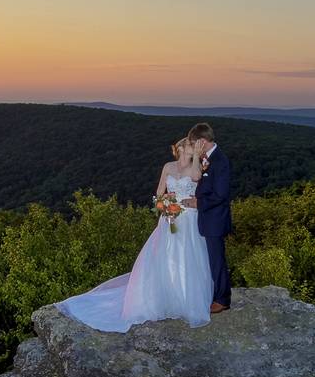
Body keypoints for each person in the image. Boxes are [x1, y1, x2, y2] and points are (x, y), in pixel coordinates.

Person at [53, 136, 213, 332]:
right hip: (169, 217)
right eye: (189, 144)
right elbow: (159, 192)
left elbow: (196, 177)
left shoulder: (195, 167)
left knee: (188, 258)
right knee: (164, 258)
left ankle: (185, 300)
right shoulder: (168, 167)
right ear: (179, 148)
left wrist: (196, 157)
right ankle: (162, 298)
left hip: (189, 219)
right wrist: (164, 206)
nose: (193, 146)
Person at [182, 122, 232, 312]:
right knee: (210, 259)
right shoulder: (208, 158)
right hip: (208, 217)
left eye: (195, 144)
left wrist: (198, 203)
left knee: (217, 259)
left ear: (202, 141)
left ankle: (222, 299)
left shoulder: (220, 161)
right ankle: (214, 294)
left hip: (215, 219)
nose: (194, 147)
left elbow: (221, 194)